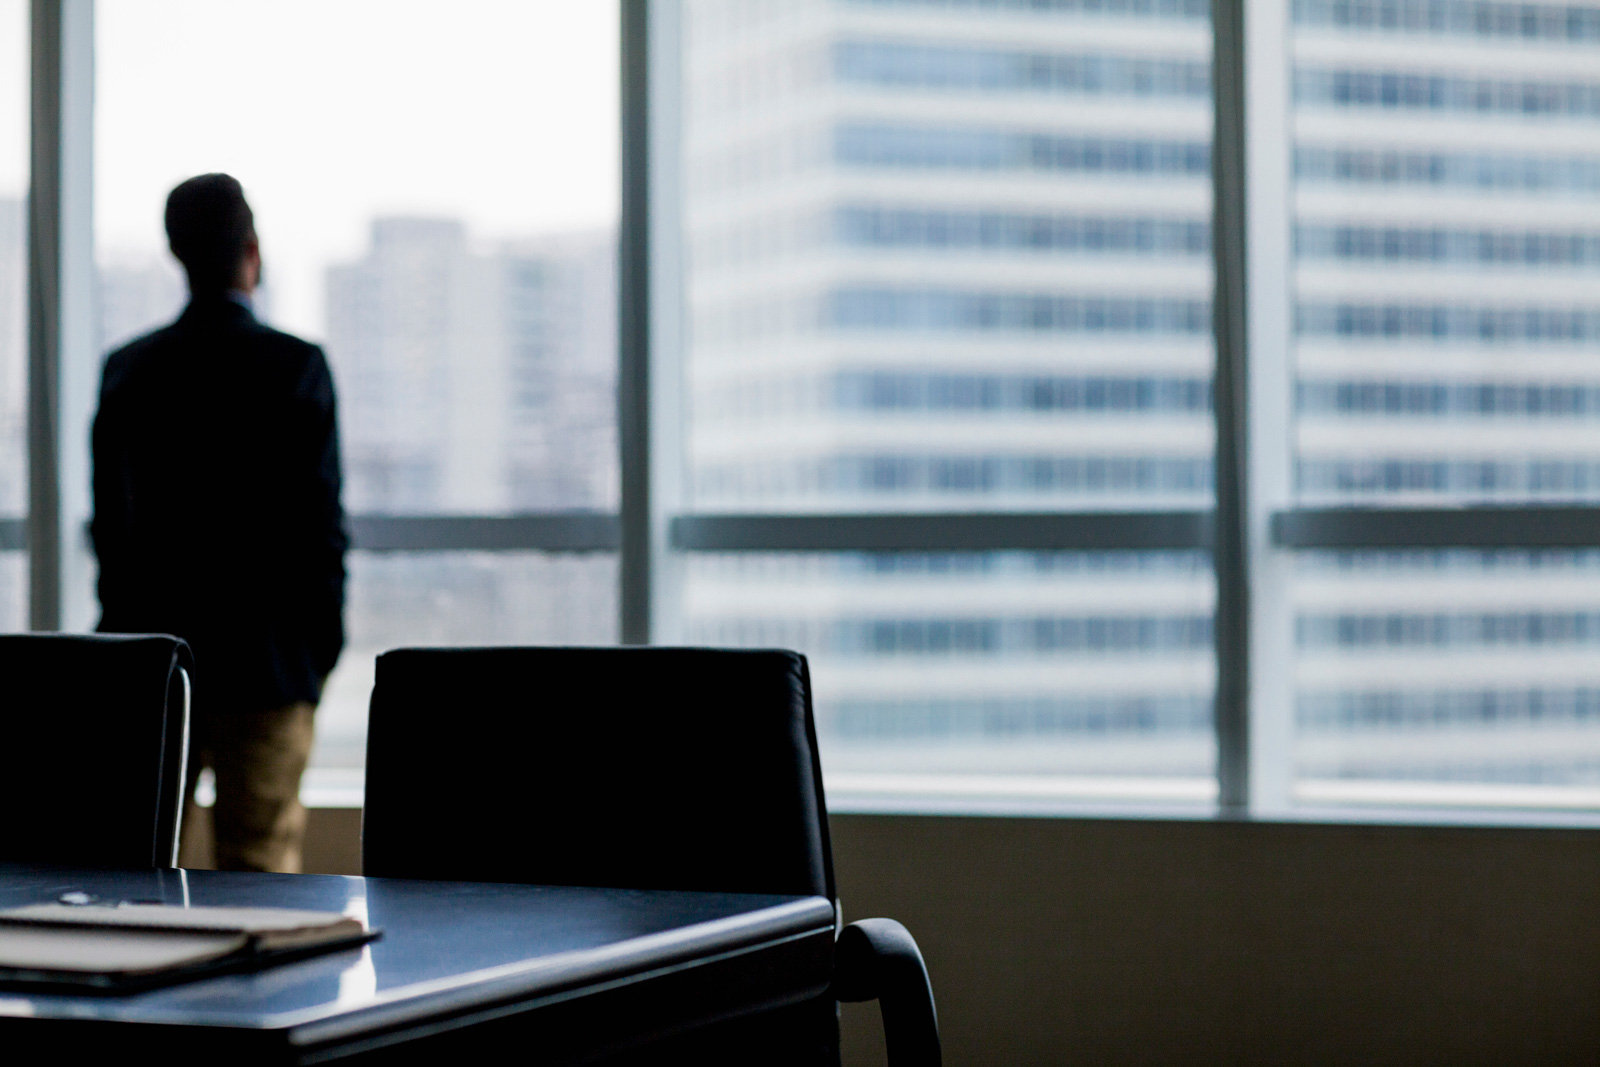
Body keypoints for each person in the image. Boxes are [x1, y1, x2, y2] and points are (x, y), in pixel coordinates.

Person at [90, 173, 347, 873]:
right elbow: (320, 526)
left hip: (151, 659)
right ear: (252, 250)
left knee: (139, 873)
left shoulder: (129, 373)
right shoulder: (296, 369)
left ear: (178, 252)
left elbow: (111, 531)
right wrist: (317, 650)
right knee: (260, 880)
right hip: (267, 663)